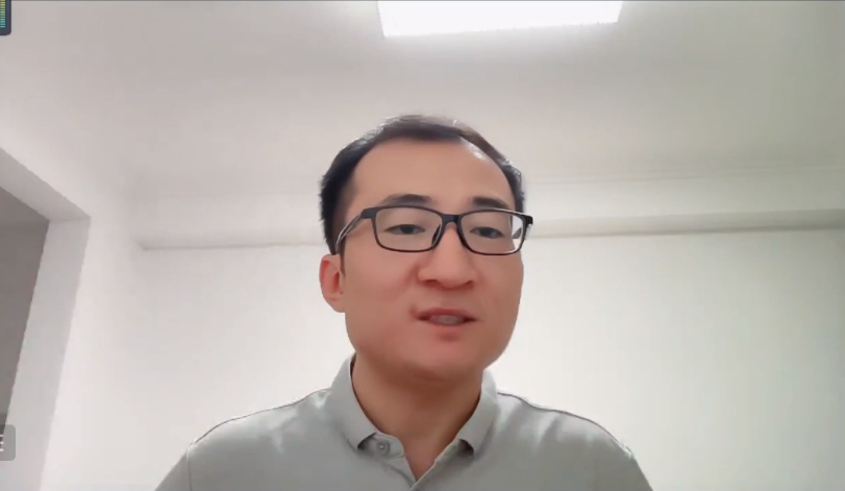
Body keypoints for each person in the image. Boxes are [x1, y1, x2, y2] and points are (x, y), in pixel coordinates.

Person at [155, 115, 652, 491]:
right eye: (407, 227)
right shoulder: (223, 472)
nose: (452, 271)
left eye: (487, 231)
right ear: (336, 280)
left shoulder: (593, 470)